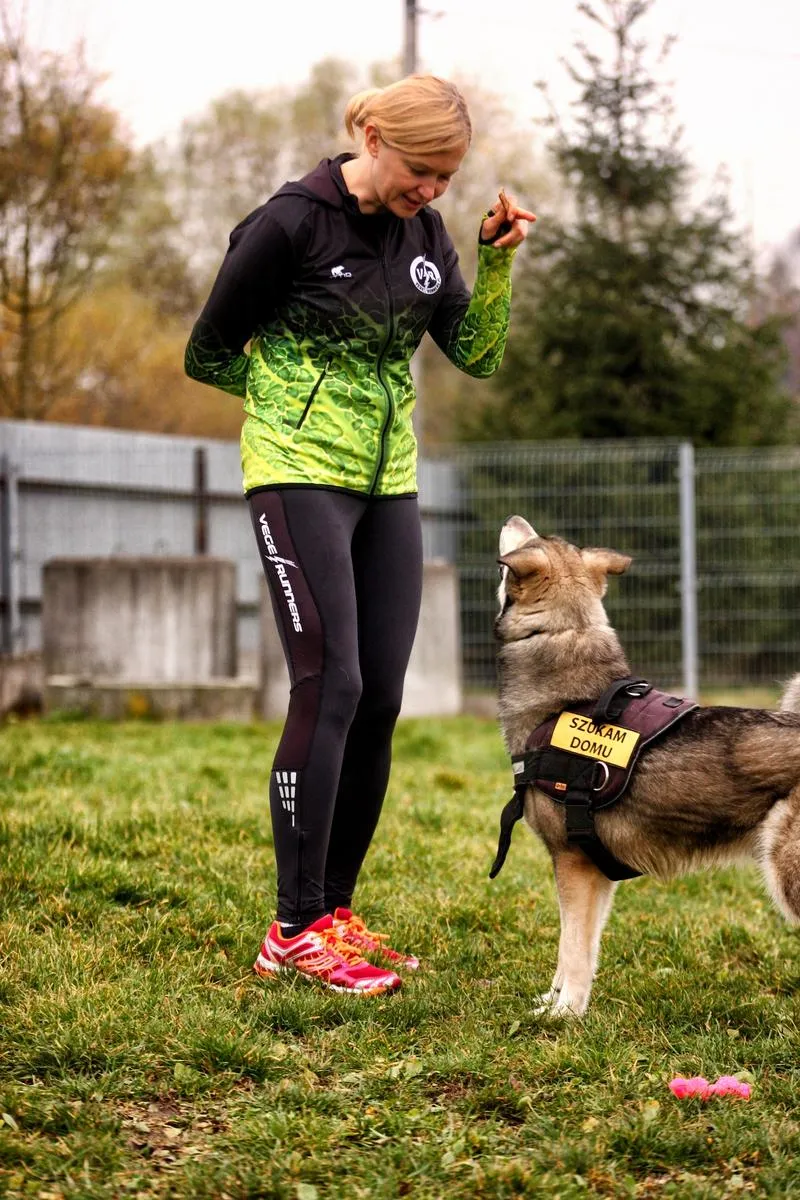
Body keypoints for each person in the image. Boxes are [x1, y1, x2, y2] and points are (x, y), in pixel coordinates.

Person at [185, 74, 535, 995]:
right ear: (372, 135)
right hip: (299, 474)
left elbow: (477, 353)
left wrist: (494, 261)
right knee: (328, 683)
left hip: (390, 484)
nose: (435, 191)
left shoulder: (425, 236)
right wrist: (298, 408)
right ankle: (290, 927)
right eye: (425, 170)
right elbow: (208, 351)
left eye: (450, 177)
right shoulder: (290, 223)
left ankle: (334, 914)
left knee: (380, 695)